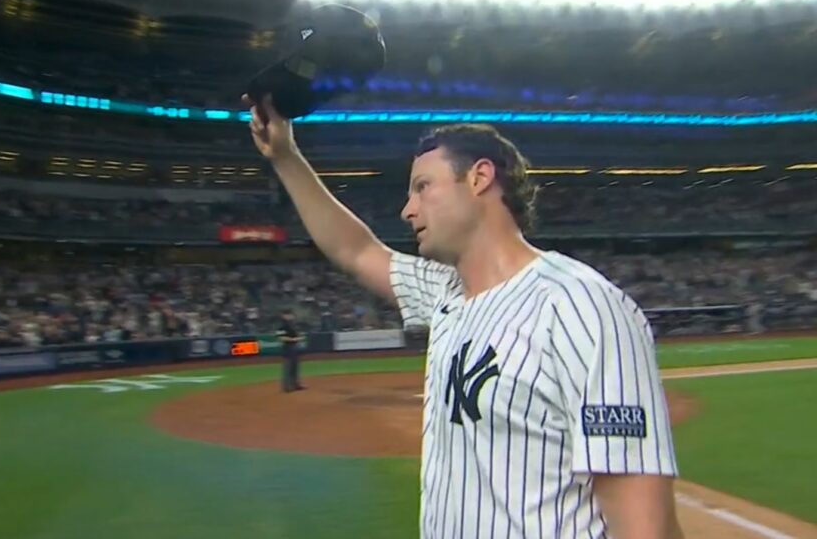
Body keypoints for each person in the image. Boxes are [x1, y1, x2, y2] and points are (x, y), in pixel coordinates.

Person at [244, 94, 682, 539]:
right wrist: (286, 156)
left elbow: (645, 528)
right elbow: (355, 251)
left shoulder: (582, 308)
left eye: (422, 187)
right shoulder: (446, 294)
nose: (407, 209)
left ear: (479, 178)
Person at [276, 309, 304, 392]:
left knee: (295, 367)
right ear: (284, 316)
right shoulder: (281, 326)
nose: (291, 316)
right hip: (287, 348)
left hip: (295, 347)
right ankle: (286, 386)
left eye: (291, 315)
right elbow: (281, 337)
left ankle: (296, 384)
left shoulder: (293, 325)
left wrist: (298, 338)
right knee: (287, 367)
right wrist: (295, 339)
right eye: (289, 315)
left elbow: (296, 335)